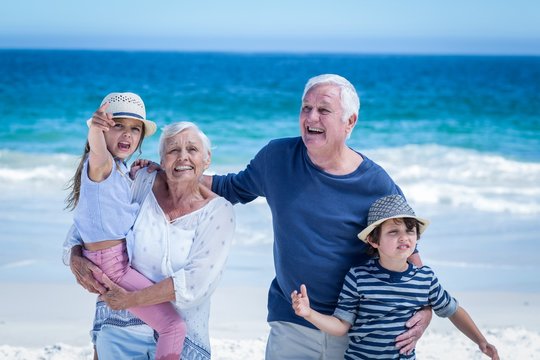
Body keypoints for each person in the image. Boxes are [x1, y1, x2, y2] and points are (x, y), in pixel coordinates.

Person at [204, 74, 432, 359]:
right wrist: (171, 175)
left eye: (324, 110)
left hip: (357, 328)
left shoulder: (376, 183)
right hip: (291, 319)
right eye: (305, 108)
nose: (311, 117)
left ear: (350, 122)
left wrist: (425, 310)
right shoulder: (277, 157)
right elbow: (230, 187)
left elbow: (408, 251)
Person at [64, 121, 235, 359]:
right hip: (119, 329)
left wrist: (130, 299)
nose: (182, 157)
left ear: (207, 160)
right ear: (162, 160)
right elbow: (95, 218)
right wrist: (75, 255)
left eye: (192, 150)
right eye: (173, 150)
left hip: (182, 339)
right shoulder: (141, 181)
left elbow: (196, 282)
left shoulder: (219, 212)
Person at [291, 194, 499, 360]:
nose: (403, 237)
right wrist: (309, 313)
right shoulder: (358, 277)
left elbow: (453, 310)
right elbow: (340, 326)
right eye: (393, 232)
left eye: (410, 231)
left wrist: (480, 341)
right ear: (374, 240)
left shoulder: (425, 279)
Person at [65, 92, 186, 359]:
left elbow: (120, 207)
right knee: (173, 326)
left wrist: (140, 173)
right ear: (105, 129)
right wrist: (95, 129)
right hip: (113, 265)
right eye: (118, 126)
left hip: (112, 259)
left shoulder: (119, 170)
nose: (127, 135)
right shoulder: (102, 164)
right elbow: (97, 150)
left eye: (135, 129)